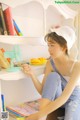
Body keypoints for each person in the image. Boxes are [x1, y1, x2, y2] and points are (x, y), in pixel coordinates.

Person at [22, 26, 80, 120]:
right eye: (48, 45)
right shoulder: (50, 63)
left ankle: (41, 116)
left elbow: (65, 97)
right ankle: (42, 116)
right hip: (59, 99)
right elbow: (44, 92)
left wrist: (38, 115)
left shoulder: (77, 66)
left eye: (52, 45)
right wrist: (32, 74)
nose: (49, 49)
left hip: (73, 100)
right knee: (53, 76)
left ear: (64, 47)